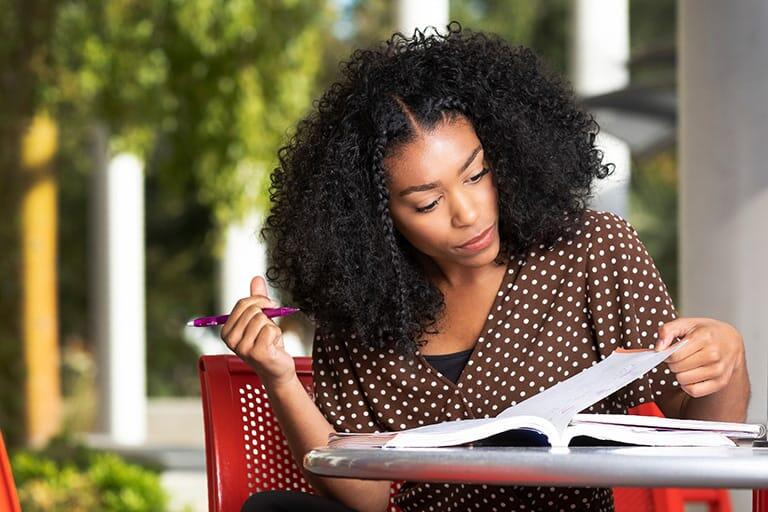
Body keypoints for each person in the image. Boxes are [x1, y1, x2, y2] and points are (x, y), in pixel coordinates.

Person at [221, 23, 750, 512]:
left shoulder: (592, 250)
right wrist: (280, 379)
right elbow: (369, 499)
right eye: (427, 204)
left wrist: (725, 359)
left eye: (477, 174)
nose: (468, 213)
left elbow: (707, 437)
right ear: (375, 220)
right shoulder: (359, 307)